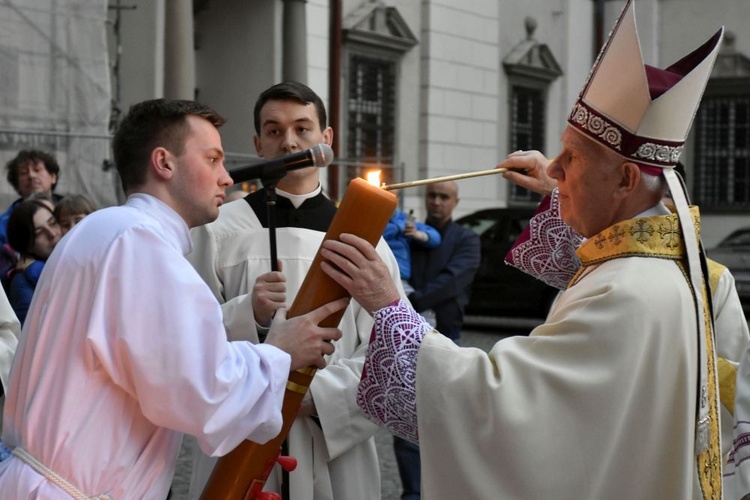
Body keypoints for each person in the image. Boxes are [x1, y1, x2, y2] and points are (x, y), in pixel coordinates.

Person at [318, 1, 727, 497]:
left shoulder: (628, 293)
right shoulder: (682, 273)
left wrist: (389, 306)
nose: (553, 169)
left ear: (624, 180)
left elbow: (496, 405)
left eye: (571, 158)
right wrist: (567, 190)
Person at [0, 98, 347, 498]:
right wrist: (281, 350)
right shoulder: (140, 242)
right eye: (213, 159)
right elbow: (203, 391)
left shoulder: (104, 229)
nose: (226, 178)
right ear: (164, 163)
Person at [187, 81, 404, 500]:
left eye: (303, 129)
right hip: (242, 429)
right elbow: (185, 335)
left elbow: (391, 344)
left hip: (330, 438)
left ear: (326, 139)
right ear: (258, 145)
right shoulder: (218, 230)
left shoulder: (366, 238)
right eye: (273, 131)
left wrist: (312, 399)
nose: (288, 141)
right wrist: (246, 314)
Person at [501, 150, 749, 489]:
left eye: (664, 210)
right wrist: (565, 184)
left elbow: (736, 387)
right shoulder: (601, 266)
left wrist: (672, 364)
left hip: (670, 444)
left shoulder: (712, 280)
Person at [392, 180, 480, 500]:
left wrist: (405, 303)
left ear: (456, 201)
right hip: (408, 335)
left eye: (444, 196)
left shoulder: (467, 239)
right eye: (432, 195)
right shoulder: (411, 235)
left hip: (447, 335)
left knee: (444, 420)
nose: (437, 202)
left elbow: (452, 281)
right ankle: (412, 493)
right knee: (406, 421)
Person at [5, 198, 62, 325]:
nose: (52, 234)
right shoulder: (21, 282)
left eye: (52, 223)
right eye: (39, 233)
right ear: (26, 246)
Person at [0, 150, 62, 246]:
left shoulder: (70, 211)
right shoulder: (4, 224)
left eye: (37, 170)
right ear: (17, 184)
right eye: (24, 172)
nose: (31, 175)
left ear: (53, 177)